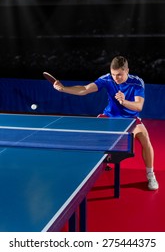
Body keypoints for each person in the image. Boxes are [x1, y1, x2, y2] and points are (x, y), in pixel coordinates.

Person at [53, 56, 159, 190]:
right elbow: (85, 89)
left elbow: (139, 107)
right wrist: (64, 89)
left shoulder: (137, 83)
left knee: (145, 139)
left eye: (119, 74)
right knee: (90, 138)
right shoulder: (107, 79)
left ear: (127, 70)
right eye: (114, 74)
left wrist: (124, 102)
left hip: (130, 118)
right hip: (109, 116)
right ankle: (99, 163)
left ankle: (150, 174)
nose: (116, 78)